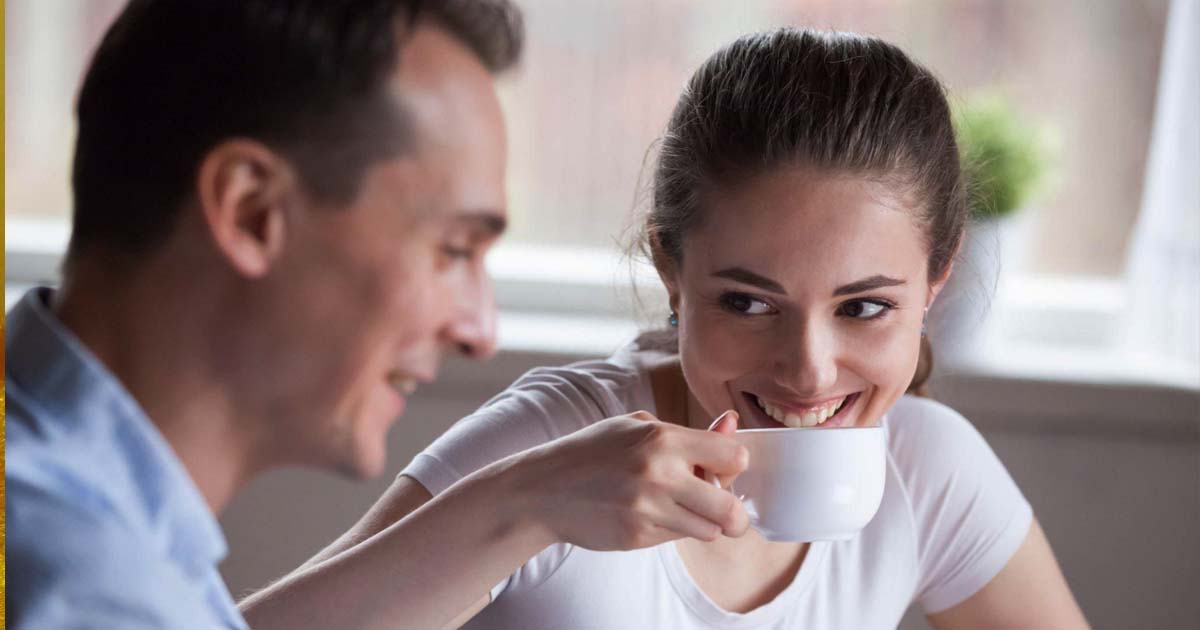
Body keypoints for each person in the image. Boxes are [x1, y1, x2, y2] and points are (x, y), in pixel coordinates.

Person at [278, 28, 1092, 628]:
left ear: (937, 279)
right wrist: (524, 505)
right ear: (672, 271)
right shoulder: (560, 443)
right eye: (748, 302)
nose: (808, 372)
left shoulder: (927, 469)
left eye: (864, 307)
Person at [4, 2, 752, 629]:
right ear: (251, 211)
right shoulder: (86, 590)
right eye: (454, 249)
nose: (478, 329)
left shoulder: (101, 529)